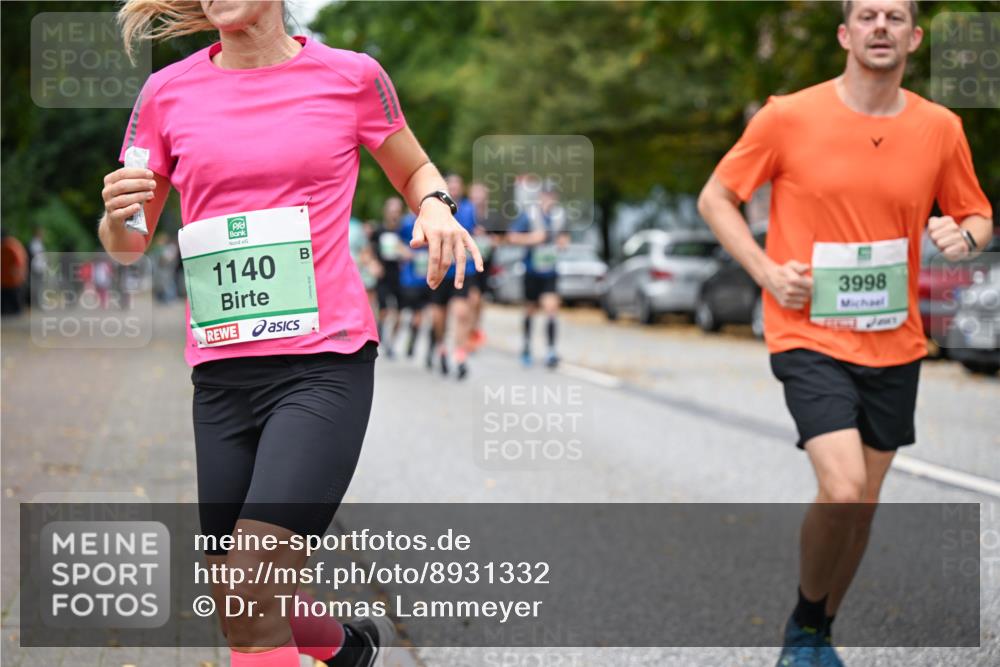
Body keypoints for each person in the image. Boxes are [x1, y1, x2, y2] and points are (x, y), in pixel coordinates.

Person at [99, 2, 481, 666]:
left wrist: (434, 206)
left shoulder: (352, 76)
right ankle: (349, 649)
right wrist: (116, 215)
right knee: (238, 598)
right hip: (220, 374)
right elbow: (129, 244)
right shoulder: (166, 93)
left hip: (323, 363)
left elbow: (414, 169)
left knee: (250, 589)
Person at [696, 2, 993, 665]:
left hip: (896, 341)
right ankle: (803, 626)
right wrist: (769, 273)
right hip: (808, 332)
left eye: (894, 15)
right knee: (843, 485)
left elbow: (977, 215)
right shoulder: (787, 116)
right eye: (867, 15)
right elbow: (716, 197)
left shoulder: (940, 128)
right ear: (845, 34)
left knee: (862, 505)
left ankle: (819, 631)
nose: (880, 25)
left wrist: (964, 235)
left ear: (914, 37)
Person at [507, 185, 569, 368]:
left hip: (550, 271)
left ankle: (551, 350)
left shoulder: (560, 216)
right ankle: (526, 346)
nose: (549, 199)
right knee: (530, 309)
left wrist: (562, 243)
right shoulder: (530, 215)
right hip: (532, 270)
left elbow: (565, 237)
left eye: (552, 195)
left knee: (551, 308)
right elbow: (512, 237)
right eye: (546, 195)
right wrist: (533, 239)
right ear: (540, 196)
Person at [426, 173, 477, 378]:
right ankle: (441, 348)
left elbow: (480, 231)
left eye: (458, 186)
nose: (454, 189)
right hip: (440, 271)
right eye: (451, 186)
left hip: (463, 272)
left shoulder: (470, 209)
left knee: (461, 313)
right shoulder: (435, 211)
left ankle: (460, 356)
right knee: (439, 319)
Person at [371, 197, 407, 357]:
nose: (394, 215)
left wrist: (403, 250)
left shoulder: (404, 231)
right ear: (386, 212)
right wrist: (374, 264)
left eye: (397, 212)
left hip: (401, 276)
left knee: (399, 314)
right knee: (384, 310)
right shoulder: (378, 230)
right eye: (392, 211)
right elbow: (369, 250)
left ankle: (391, 343)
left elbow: (412, 252)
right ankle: (380, 334)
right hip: (384, 275)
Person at [0, 229, 28, 316]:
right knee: (8, 294)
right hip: (8, 276)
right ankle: (11, 309)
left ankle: (15, 310)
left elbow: (18, 261)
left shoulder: (8, 246)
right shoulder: (12, 244)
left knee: (11, 294)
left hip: (10, 276)